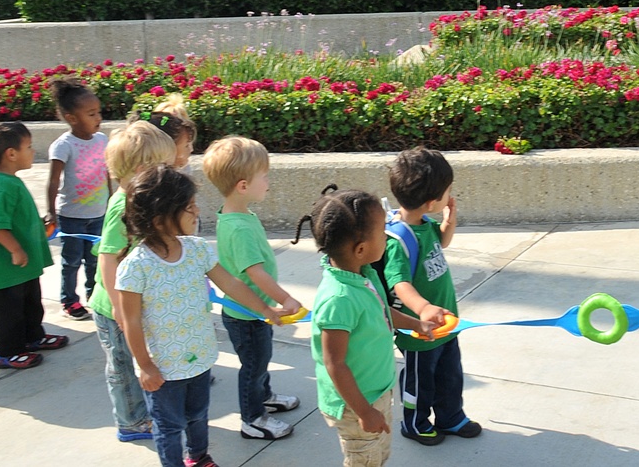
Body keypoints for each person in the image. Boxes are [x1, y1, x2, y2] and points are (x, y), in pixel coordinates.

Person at [116, 164, 284, 467]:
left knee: (197, 415)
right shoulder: (136, 266)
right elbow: (130, 321)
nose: (197, 211)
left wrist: (265, 310)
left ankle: (198, 456)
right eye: (188, 206)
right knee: (169, 426)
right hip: (164, 368)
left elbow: (231, 284)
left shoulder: (196, 249)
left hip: (200, 356)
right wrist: (145, 365)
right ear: (159, 218)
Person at [298, 186, 436, 467]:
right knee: (364, 460)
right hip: (355, 404)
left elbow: (381, 310)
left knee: (378, 455)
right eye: (382, 232)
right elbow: (334, 363)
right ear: (360, 249)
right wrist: (364, 412)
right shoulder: (339, 299)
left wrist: (416, 324)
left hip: (376, 391)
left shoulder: (364, 273)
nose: (387, 236)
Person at [202, 136, 302, 440]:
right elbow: (255, 273)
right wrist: (284, 298)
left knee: (261, 359)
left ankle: (264, 397)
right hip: (247, 315)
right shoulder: (239, 228)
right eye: (265, 176)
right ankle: (252, 418)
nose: (269, 181)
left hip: (254, 311)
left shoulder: (237, 214)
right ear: (243, 186)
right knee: (253, 366)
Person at [381, 147, 481, 445]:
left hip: (445, 324)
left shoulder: (424, 224)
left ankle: (451, 417)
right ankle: (415, 423)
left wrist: (449, 221)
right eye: (447, 190)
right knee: (420, 382)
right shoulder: (398, 239)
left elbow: (442, 241)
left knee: (450, 375)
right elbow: (399, 283)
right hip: (420, 331)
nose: (451, 194)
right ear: (430, 201)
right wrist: (423, 308)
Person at [87, 121, 176, 441]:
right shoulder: (121, 206)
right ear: (142, 171)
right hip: (114, 309)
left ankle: (145, 410)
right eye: (165, 168)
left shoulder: (139, 199)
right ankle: (132, 420)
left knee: (139, 359)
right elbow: (108, 258)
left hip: (133, 302)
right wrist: (121, 310)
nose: (170, 174)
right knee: (123, 366)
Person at [0, 122, 69, 369]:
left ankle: (33, 337)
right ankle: (9, 352)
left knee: (31, 305)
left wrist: (38, 226)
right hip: (7, 270)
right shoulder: (3, 185)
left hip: (22, 268)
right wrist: (15, 249)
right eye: (28, 147)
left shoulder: (10, 181)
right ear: (11, 154)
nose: (32, 151)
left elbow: (16, 218)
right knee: (10, 313)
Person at [46, 78, 110, 320]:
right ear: (71, 118)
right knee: (71, 261)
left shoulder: (102, 140)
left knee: (95, 259)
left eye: (98, 112)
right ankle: (70, 301)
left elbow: (107, 173)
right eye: (91, 114)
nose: (98, 118)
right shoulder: (63, 145)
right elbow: (53, 181)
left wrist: (111, 200)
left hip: (98, 214)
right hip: (72, 216)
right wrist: (51, 212)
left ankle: (94, 294)